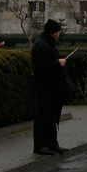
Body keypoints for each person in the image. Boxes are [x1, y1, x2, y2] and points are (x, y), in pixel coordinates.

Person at [32, 19, 68, 155]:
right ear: (53, 32)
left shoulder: (47, 43)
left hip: (52, 88)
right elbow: (42, 66)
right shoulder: (42, 45)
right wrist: (58, 63)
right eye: (58, 31)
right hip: (45, 87)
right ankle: (40, 145)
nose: (59, 34)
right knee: (43, 116)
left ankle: (52, 143)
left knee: (51, 117)